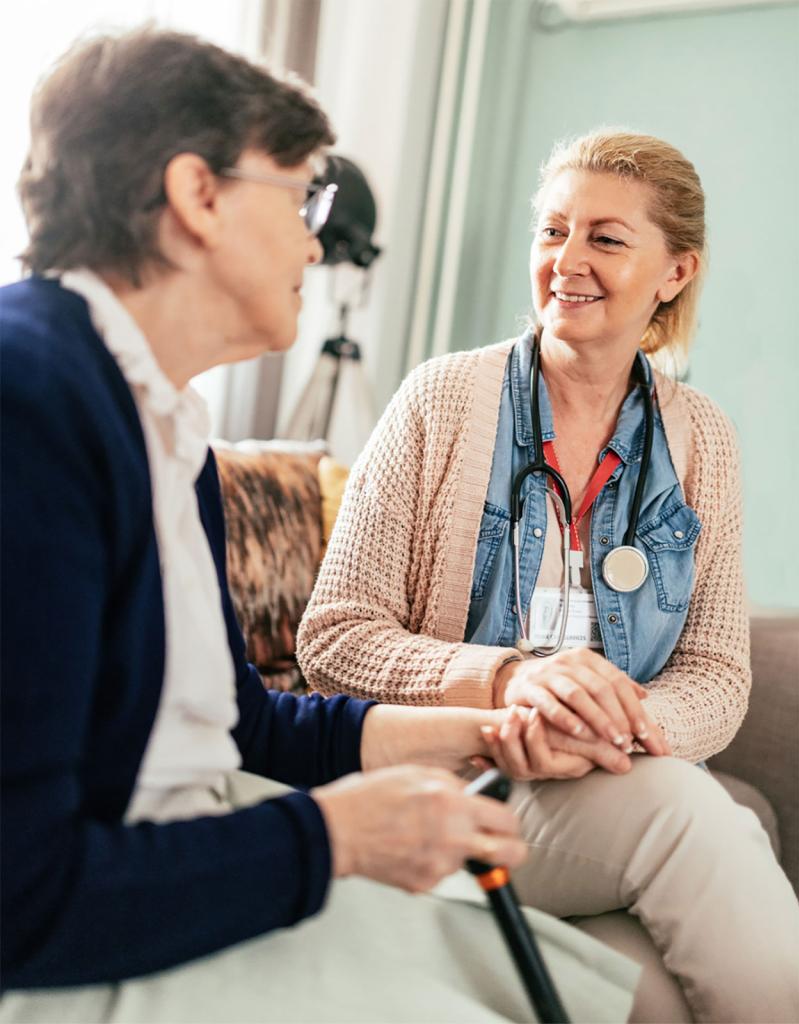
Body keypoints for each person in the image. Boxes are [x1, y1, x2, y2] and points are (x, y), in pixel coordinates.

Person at [0, 29, 641, 1023]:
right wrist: (332, 840)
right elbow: (18, 896)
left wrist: (488, 729)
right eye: (301, 197)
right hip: (93, 951)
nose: (313, 240)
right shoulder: (29, 400)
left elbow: (245, 728)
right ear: (197, 196)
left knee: (614, 990)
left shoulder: (164, 426)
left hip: (201, 861)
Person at [297, 129, 799, 1022]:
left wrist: (609, 729)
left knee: (646, 991)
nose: (567, 260)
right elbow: (334, 638)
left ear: (674, 273)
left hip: (611, 778)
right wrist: (511, 687)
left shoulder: (701, 438)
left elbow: (719, 675)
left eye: (607, 238)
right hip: (457, 773)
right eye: (553, 231)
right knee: (690, 816)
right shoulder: (442, 400)